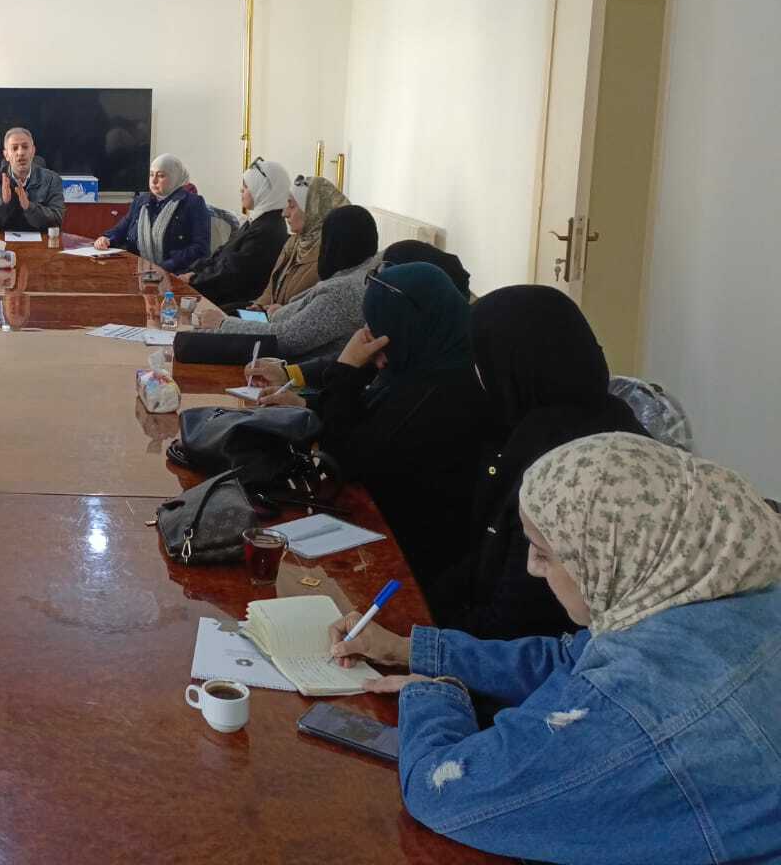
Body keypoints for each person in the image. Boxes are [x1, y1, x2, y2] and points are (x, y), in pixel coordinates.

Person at [329, 434, 781, 865]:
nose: (531, 567)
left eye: (544, 552)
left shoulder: (632, 712)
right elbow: (573, 659)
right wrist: (412, 650)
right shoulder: (731, 591)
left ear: (609, 553)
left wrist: (437, 693)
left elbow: (442, 790)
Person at [428, 286, 648, 640]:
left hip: (525, 655)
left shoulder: (558, 472)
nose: (476, 370)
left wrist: (416, 635)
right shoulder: (605, 414)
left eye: (481, 357)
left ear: (513, 365)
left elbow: (513, 626)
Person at [257, 261, 490, 588]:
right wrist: (313, 401)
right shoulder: (420, 361)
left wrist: (347, 369)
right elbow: (362, 415)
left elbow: (346, 458)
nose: (375, 350)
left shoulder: (446, 394)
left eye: (383, 336)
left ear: (410, 328)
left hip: (413, 566)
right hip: (378, 534)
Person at [245, 239, 473, 391]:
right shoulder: (413, 339)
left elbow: (348, 439)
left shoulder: (437, 385)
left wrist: (344, 371)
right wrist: (288, 375)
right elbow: (363, 358)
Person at [210, 205, 378, 359]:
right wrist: (275, 310)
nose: (285, 213)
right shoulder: (360, 272)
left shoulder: (342, 291)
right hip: (274, 321)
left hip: (295, 366)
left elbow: (286, 340)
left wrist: (224, 323)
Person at [179, 157, 291, 308]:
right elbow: (223, 253)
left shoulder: (268, 230)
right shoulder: (258, 220)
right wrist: (193, 272)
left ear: (262, 190)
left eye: (246, 187)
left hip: (234, 304)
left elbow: (233, 273)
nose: (241, 190)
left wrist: (193, 280)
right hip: (219, 291)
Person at [93, 154, 209, 274]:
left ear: (175, 177)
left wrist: (167, 266)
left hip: (175, 274)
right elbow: (121, 229)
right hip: (138, 271)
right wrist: (106, 239)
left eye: (161, 176)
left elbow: (200, 248)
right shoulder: (141, 201)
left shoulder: (193, 203)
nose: (153, 181)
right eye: (151, 174)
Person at [251, 175, 346, 310]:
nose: (284, 213)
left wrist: (282, 312)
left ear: (312, 210)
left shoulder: (330, 253)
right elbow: (270, 290)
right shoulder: (294, 242)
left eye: (291, 206)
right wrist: (259, 306)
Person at [0, 127, 65, 232]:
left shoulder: (52, 179)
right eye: (14, 148)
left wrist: (29, 207)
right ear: (6, 155)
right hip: (1, 241)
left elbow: (57, 221)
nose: (21, 152)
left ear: (33, 151)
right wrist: (2, 203)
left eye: (25, 147)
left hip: (40, 241)